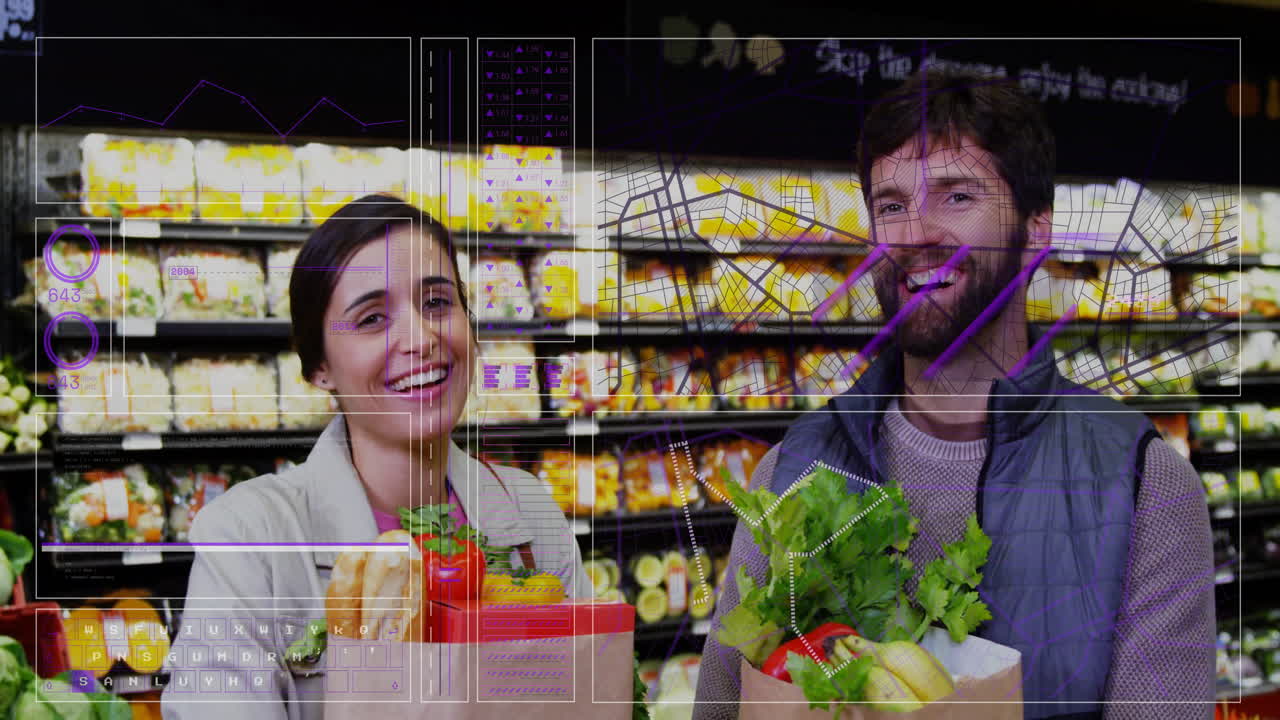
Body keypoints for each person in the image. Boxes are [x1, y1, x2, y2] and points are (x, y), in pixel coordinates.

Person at [694, 70, 1215, 720]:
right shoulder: (794, 471)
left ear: (1036, 229)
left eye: (957, 195)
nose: (915, 233)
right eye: (890, 204)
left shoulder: (1143, 486)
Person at [161, 195, 591, 720]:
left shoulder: (529, 510)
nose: (420, 338)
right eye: (371, 318)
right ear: (320, 367)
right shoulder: (248, 537)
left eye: (436, 302)